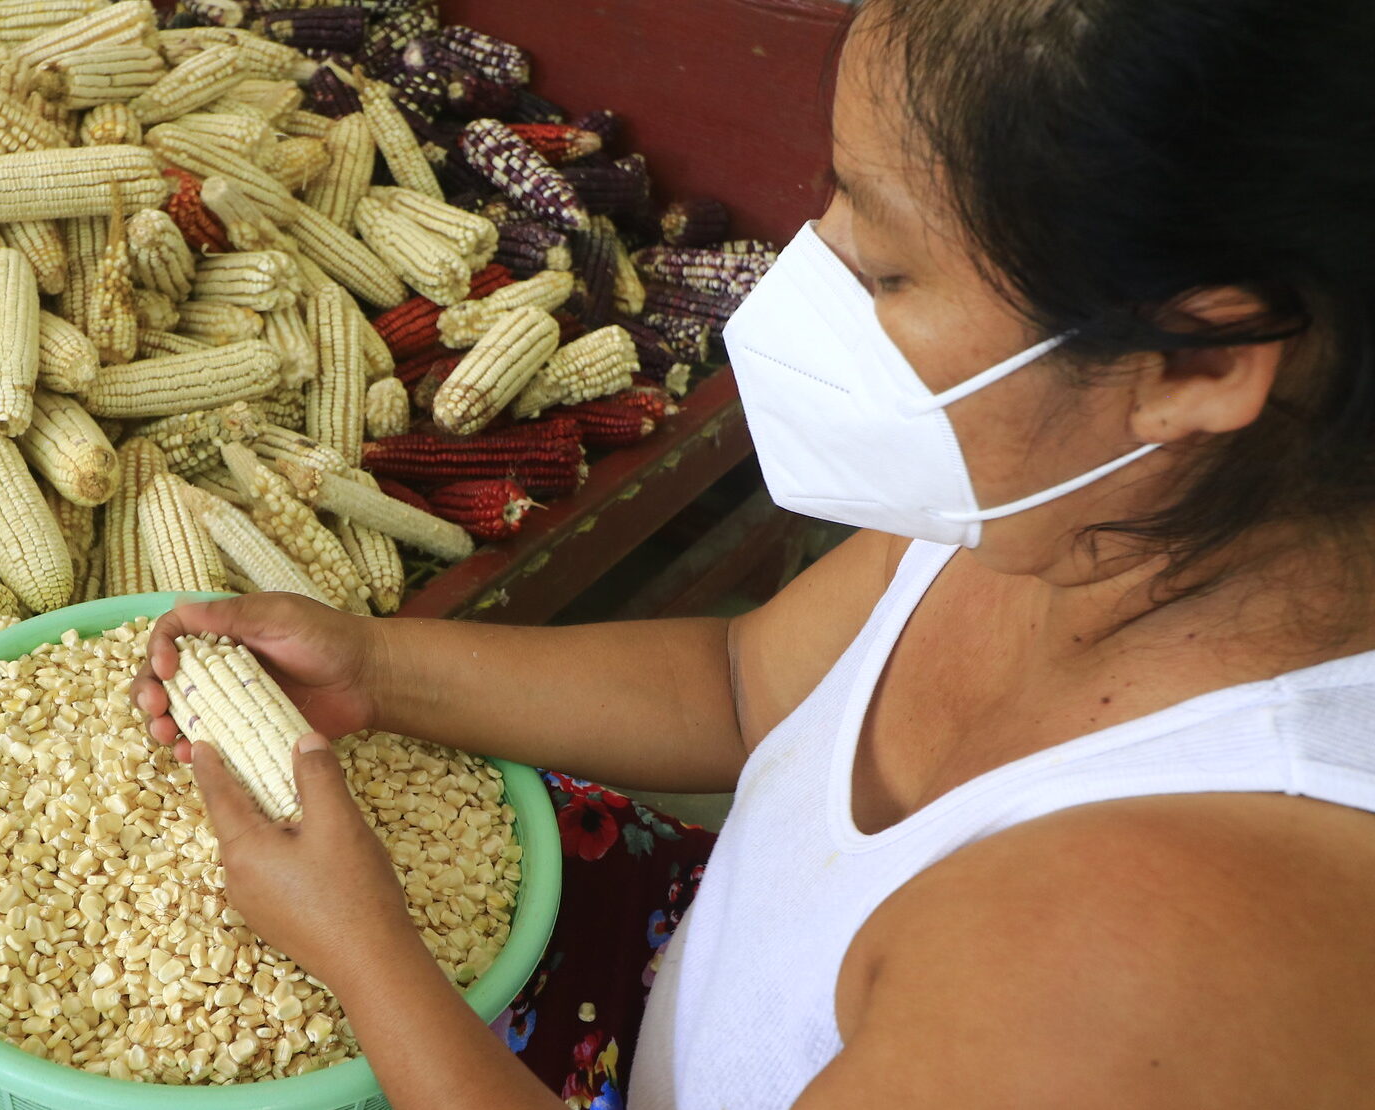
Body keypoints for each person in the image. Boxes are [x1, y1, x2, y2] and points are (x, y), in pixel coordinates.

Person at [132, 0, 1375, 1105]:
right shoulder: (1063, 511)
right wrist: (377, 669)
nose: (804, 281)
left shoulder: (1138, 971)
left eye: (884, 268)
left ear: (1195, 362)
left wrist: (364, 951)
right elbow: (744, 684)